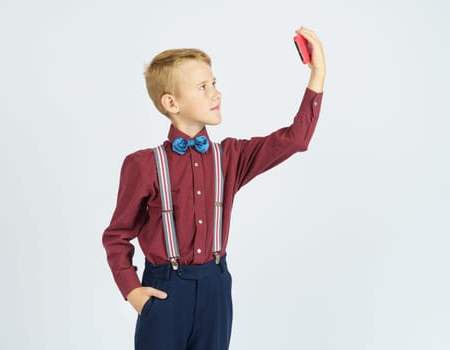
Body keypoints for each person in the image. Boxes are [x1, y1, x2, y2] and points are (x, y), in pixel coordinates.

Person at [103, 26, 326, 350]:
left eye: (215, 84)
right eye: (203, 87)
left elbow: (296, 139)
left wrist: (317, 75)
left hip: (216, 289)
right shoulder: (144, 165)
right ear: (171, 102)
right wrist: (132, 290)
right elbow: (117, 235)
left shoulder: (230, 157)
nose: (216, 94)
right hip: (165, 291)